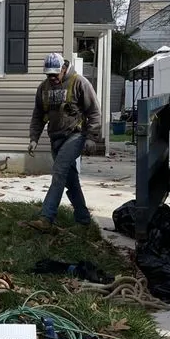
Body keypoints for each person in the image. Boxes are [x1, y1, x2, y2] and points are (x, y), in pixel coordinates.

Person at [27, 52, 101, 232]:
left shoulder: (79, 83)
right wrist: (34, 138)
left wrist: (91, 138)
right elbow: (38, 115)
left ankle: (46, 218)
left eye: (55, 74)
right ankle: (83, 219)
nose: (52, 78)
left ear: (63, 68)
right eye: (48, 74)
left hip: (75, 135)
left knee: (59, 172)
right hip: (55, 138)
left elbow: (94, 112)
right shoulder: (43, 88)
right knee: (71, 180)